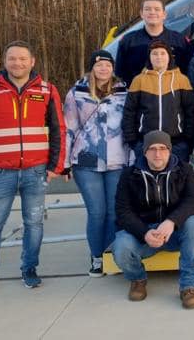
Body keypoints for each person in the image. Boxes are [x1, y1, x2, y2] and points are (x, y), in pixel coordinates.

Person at [0, 40, 66, 295]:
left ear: (32, 61)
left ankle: (29, 269)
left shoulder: (47, 90)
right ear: (4, 61)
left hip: (36, 171)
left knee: (34, 224)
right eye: (12, 58)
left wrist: (56, 165)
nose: (17, 63)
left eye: (23, 58)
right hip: (0, 172)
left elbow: (58, 130)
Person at [113, 131, 194, 308]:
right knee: (121, 246)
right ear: (144, 152)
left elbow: (192, 201)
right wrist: (144, 232)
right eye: (152, 149)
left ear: (170, 151)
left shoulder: (185, 170)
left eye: (163, 148)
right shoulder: (129, 174)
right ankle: (138, 279)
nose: (158, 153)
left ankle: (188, 286)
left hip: (174, 232)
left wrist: (171, 222)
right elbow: (123, 211)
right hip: (144, 234)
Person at [63, 50, 129, 277]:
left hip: (117, 160)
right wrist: (65, 162)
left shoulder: (123, 91)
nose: (103, 69)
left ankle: (111, 255)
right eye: (99, 65)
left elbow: (128, 127)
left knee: (113, 212)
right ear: (92, 67)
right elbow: (69, 128)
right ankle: (97, 257)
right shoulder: (77, 93)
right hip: (86, 160)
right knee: (97, 211)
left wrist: (130, 158)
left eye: (107, 65)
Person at [121, 40, 194, 162]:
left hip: (176, 144)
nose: (159, 57)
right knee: (147, 180)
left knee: (177, 180)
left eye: (163, 53)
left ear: (169, 57)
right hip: (146, 144)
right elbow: (129, 112)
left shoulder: (182, 80)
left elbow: (190, 112)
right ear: (149, 57)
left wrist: (187, 141)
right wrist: (133, 141)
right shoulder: (139, 80)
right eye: (155, 53)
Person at [116, 0, 193, 85]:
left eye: (157, 9)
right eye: (147, 9)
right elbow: (120, 74)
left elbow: (188, 73)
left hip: (171, 96)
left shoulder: (180, 41)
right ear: (141, 14)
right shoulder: (128, 41)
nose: (152, 12)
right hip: (138, 95)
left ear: (164, 14)